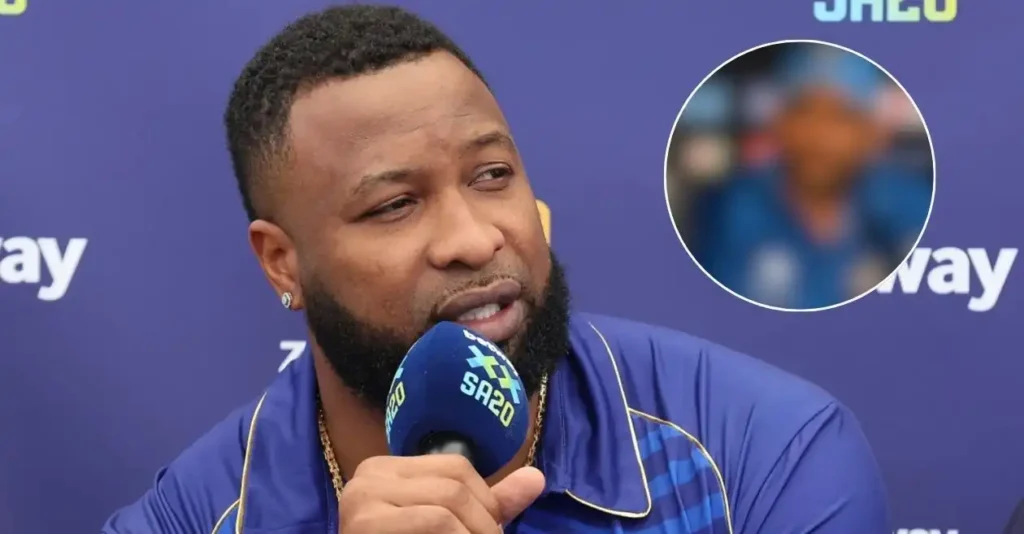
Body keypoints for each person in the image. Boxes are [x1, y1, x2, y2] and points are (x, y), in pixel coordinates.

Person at [102, 6, 890, 533]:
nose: (475, 238)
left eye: (491, 175)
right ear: (283, 263)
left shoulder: (763, 453)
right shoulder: (191, 518)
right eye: (394, 205)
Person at [693, 45, 932, 310]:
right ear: (780, 123)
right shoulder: (732, 211)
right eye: (804, 112)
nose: (819, 135)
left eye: (841, 118)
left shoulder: (908, 205)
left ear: (871, 133)